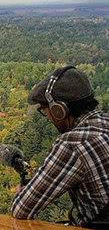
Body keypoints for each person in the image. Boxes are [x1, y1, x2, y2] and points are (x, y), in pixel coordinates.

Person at [11, 65, 109, 228]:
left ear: (59, 110)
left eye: (45, 109)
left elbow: (21, 209)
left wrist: (20, 192)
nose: (48, 116)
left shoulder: (73, 144)